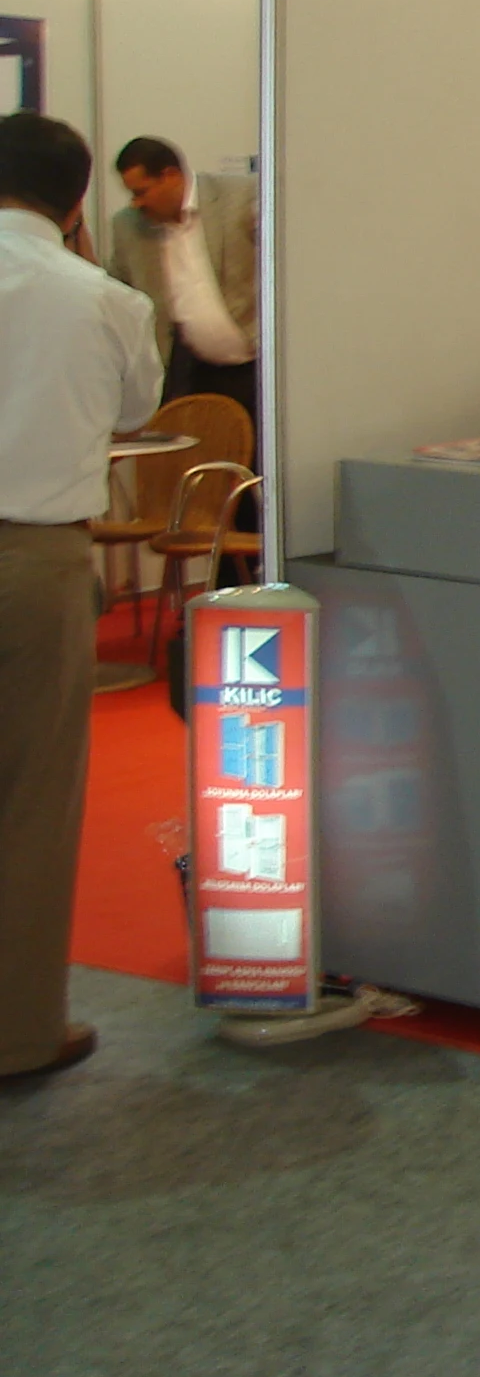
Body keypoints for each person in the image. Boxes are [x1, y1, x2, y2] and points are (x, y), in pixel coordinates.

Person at [0, 111, 164, 1079]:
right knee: (31, 795)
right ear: (75, 204)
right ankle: (19, 1031)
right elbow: (137, 409)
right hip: (37, 560)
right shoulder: (101, 297)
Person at [103, 135, 259, 425]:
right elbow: (116, 296)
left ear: (171, 176)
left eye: (142, 192)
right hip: (195, 373)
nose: (136, 203)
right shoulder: (128, 227)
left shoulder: (243, 198)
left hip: (262, 366)